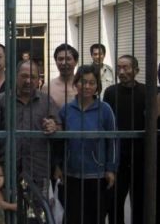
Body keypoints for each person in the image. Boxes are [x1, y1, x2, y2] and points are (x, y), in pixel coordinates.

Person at [0, 60, 60, 194]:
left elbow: (60, 129)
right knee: (8, 210)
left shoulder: (46, 101)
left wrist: (54, 127)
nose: (28, 80)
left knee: (37, 212)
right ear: (15, 76)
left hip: (38, 170)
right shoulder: (2, 100)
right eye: (24, 76)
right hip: (7, 169)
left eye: (33, 77)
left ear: (38, 80)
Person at [58, 64, 118, 224]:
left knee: (95, 216)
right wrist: (59, 165)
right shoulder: (66, 110)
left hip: (97, 174)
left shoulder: (105, 110)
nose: (87, 86)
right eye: (83, 82)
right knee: (72, 216)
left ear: (97, 86)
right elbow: (59, 141)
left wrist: (110, 168)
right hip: (71, 173)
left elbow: (112, 140)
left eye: (92, 83)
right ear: (76, 83)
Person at [103, 55, 145, 224]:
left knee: (141, 203)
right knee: (114, 202)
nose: (121, 71)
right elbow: (105, 123)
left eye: (126, 68)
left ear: (136, 70)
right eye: (119, 68)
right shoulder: (111, 92)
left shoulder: (149, 91)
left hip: (142, 157)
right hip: (118, 157)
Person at [42, 43, 78, 108]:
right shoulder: (47, 87)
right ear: (56, 62)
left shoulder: (84, 86)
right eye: (60, 59)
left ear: (76, 62)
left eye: (68, 59)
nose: (64, 63)